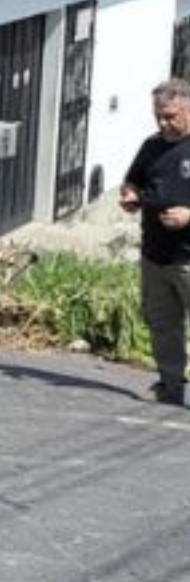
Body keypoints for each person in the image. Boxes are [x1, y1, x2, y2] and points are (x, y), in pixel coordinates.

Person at [119, 79, 190, 407]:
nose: (163, 123)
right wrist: (130, 195)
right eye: (158, 116)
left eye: (171, 116)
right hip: (156, 255)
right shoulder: (152, 145)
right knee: (163, 323)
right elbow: (134, 180)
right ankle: (170, 384)